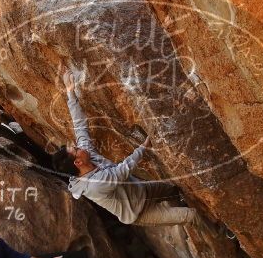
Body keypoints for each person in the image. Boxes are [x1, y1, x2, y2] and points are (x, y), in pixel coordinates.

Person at [51, 70, 196, 226]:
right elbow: (123, 170)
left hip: (142, 191)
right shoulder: (94, 185)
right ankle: (222, 232)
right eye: (75, 149)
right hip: (139, 213)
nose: (79, 146)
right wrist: (145, 146)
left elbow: (80, 126)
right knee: (191, 215)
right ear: (78, 162)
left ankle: (181, 205)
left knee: (174, 190)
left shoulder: (86, 155)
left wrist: (70, 92)